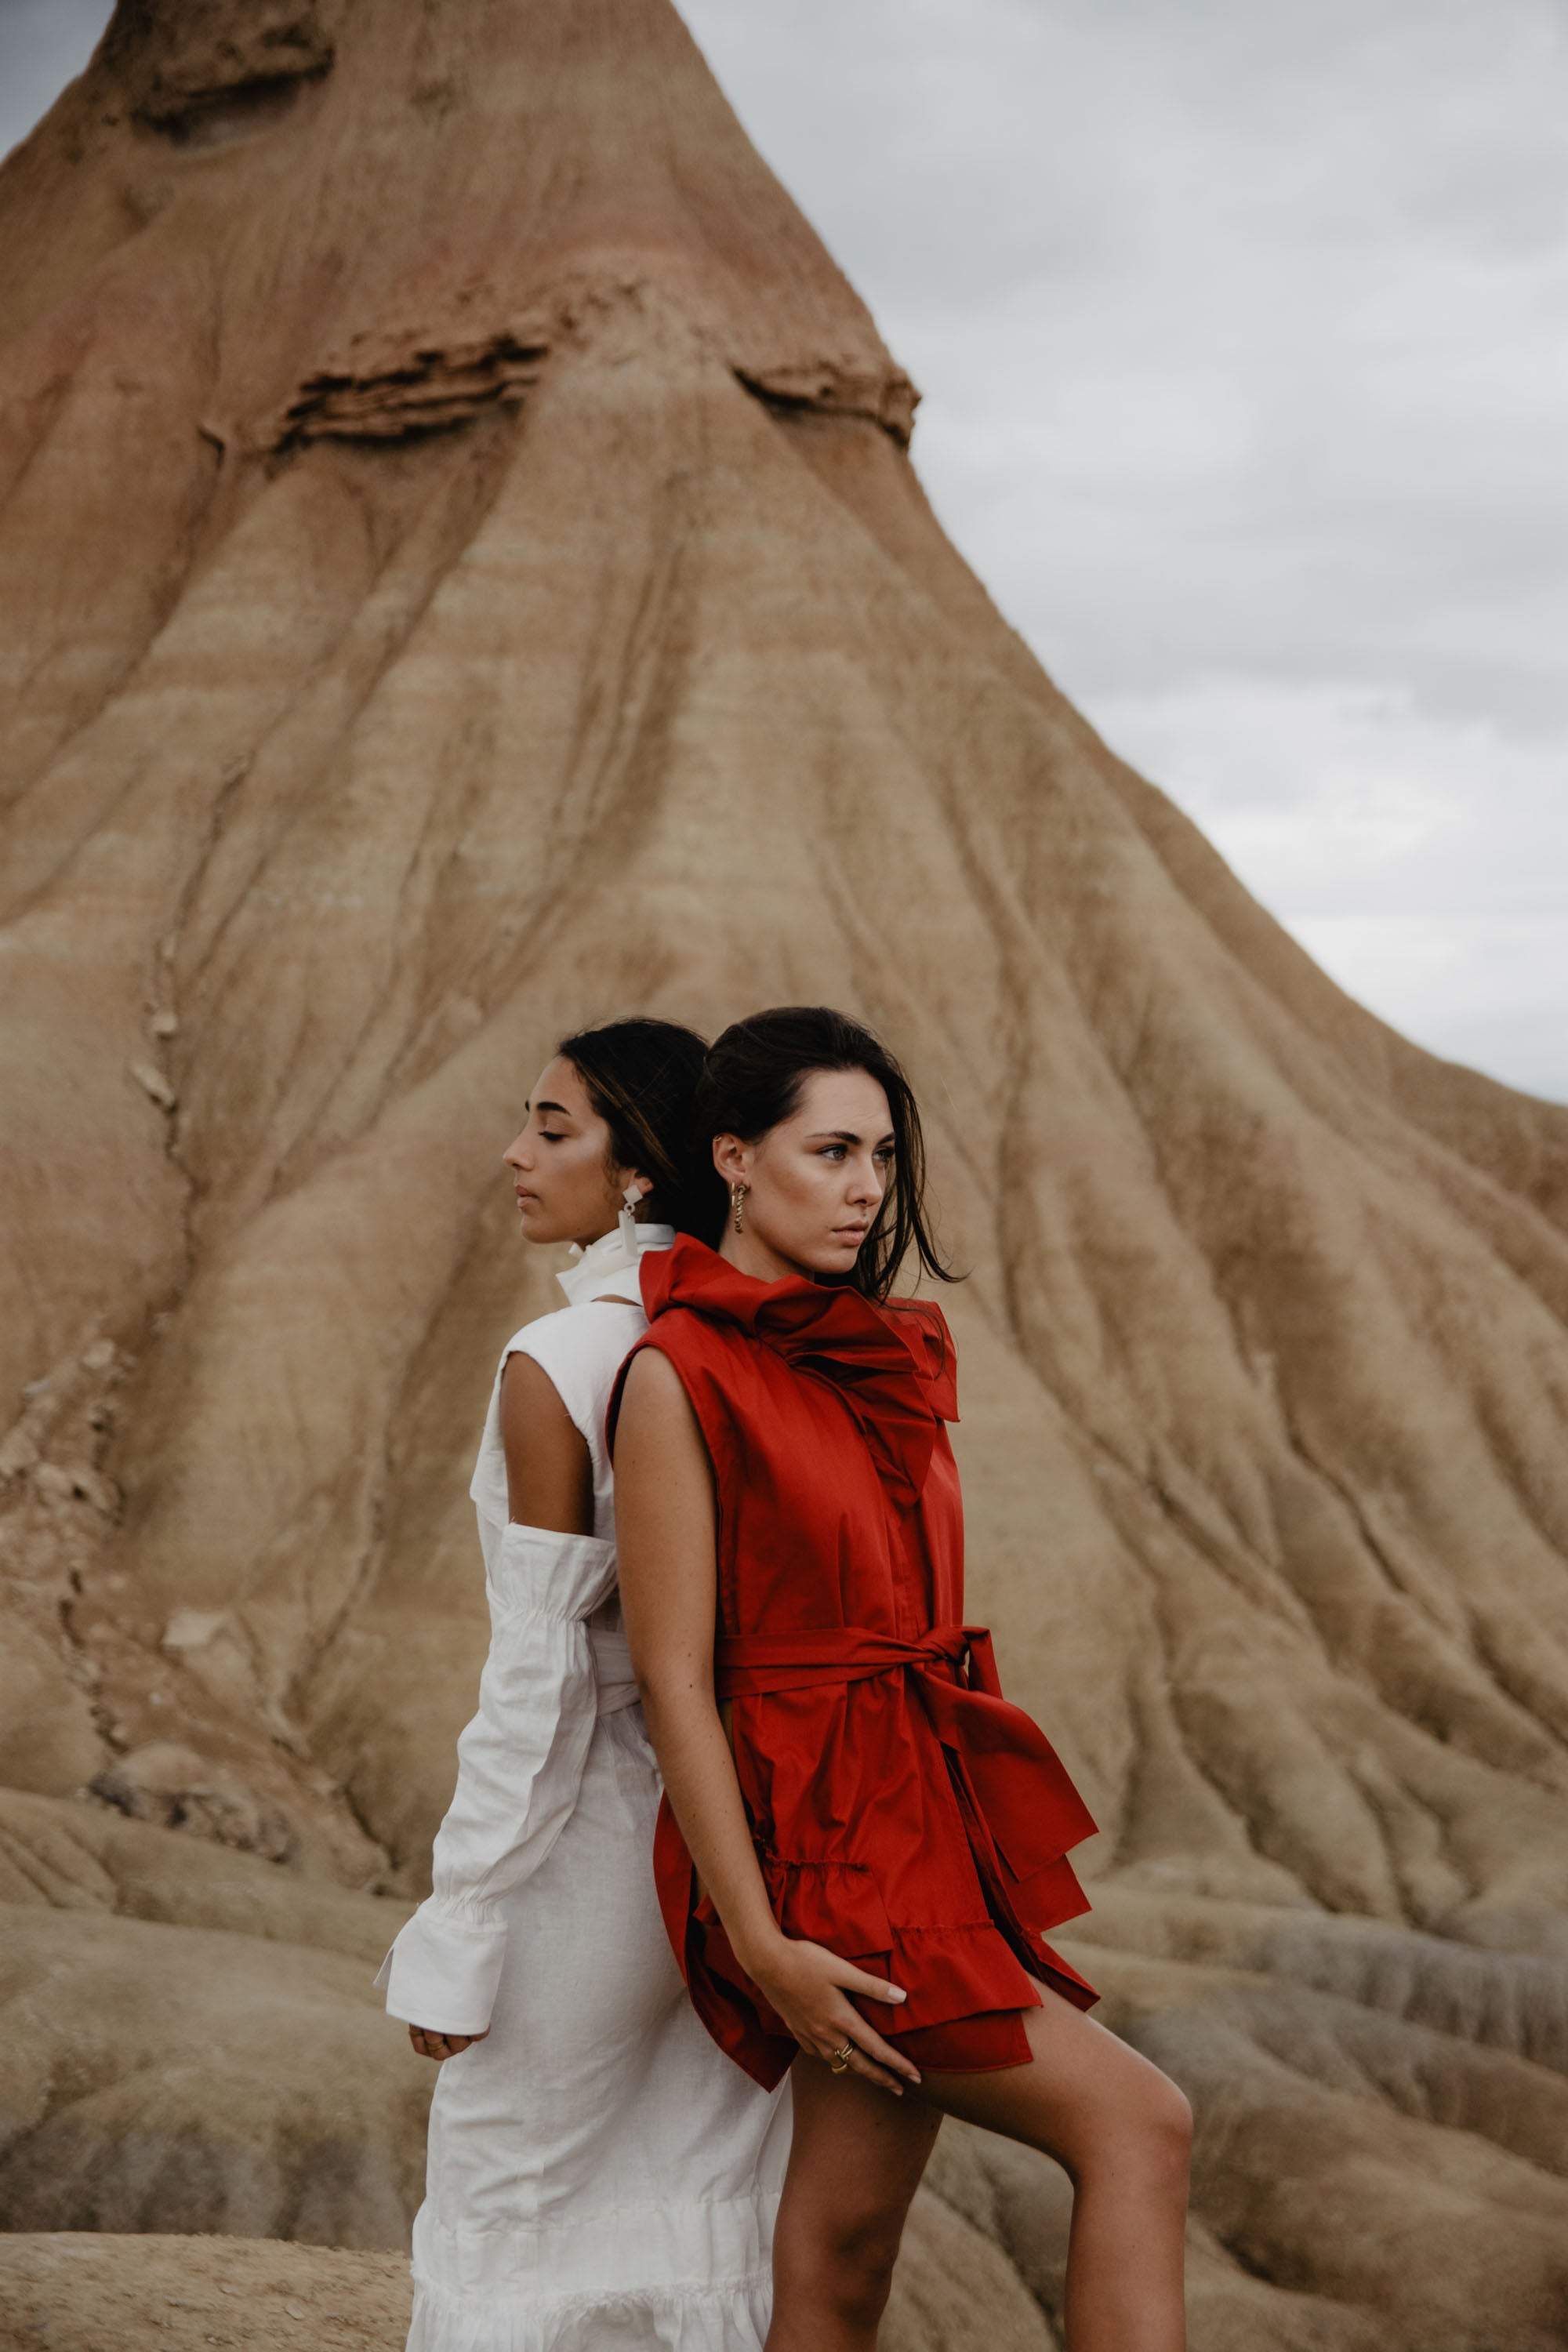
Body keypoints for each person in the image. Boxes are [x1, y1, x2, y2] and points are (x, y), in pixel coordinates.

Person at [611, 1006, 1192, 2352]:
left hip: (921, 1822)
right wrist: (762, 1943)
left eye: (880, 1154)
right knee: (1139, 2125)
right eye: (829, 1151)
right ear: (735, 1160)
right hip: (832, 1863)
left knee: (842, 2252)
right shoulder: (677, 1375)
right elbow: (674, 1683)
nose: (867, 1188)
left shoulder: (874, 1354)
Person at [376, 1018, 790, 2352]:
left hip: (591, 1860)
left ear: (638, 1169)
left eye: (554, 1128)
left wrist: (463, 1922)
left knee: (510, 2225)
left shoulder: (561, 1366)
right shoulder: (755, 1347)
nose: (515, 1153)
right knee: (699, 2214)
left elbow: (543, 1681)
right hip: (737, 1868)